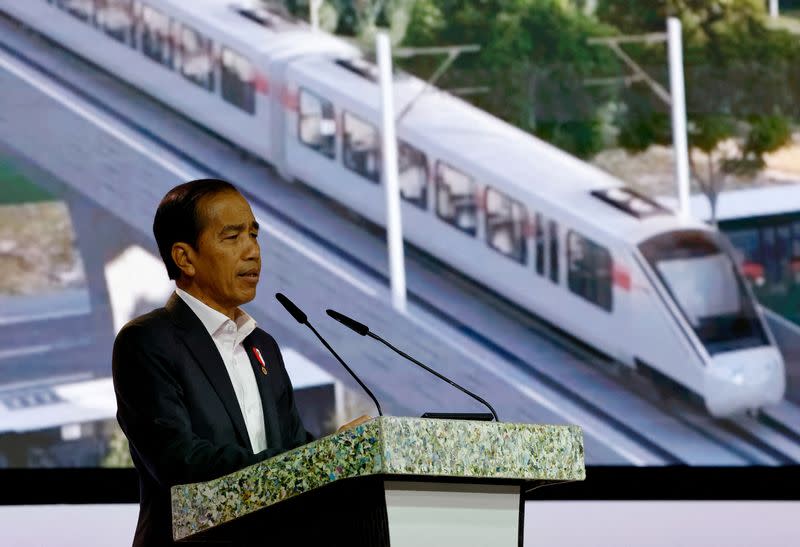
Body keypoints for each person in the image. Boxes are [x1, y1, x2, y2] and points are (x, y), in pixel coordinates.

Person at [113, 179, 362, 546]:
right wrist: (319, 459)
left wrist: (339, 455)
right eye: (232, 237)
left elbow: (291, 445)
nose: (252, 251)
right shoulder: (147, 341)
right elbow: (181, 462)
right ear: (185, 258)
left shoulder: (263, 347)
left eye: (254, 234)